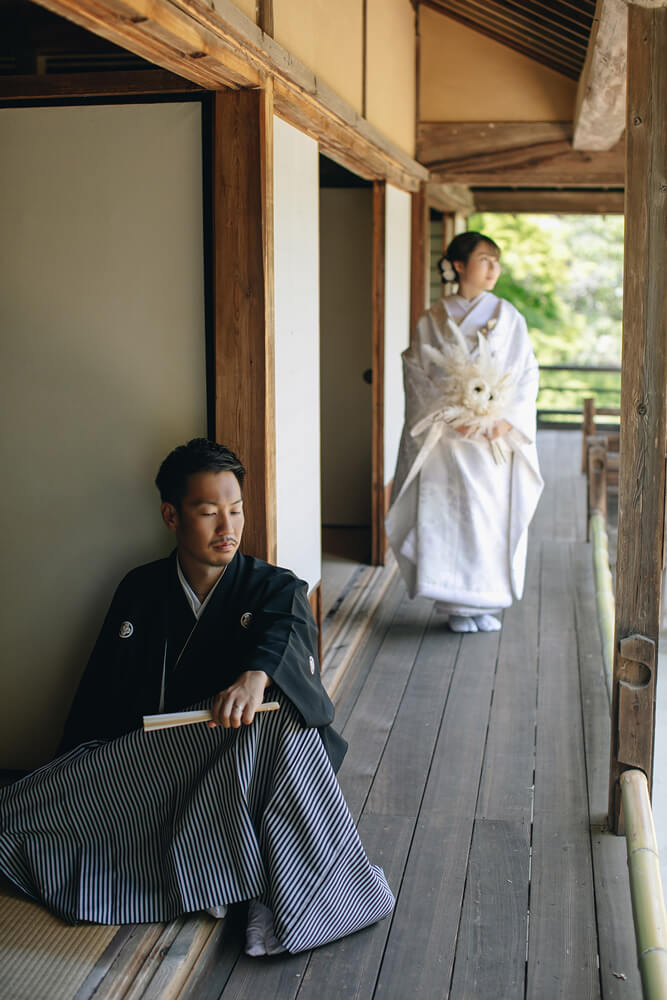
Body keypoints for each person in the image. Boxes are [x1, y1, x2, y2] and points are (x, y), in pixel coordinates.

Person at [0, 439, 394, 956]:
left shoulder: (274, 587)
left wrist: (256, 677)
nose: (227, 529)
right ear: (171, 514)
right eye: (209, 513)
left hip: (237, 757)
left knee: (279, 720)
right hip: (158, 760)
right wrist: (78, 764)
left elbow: (285, 633)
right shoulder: (140, 589)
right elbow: (101, 692)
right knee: (22, 816)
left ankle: (228, 877)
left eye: (235, 511)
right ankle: (248, 882)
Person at [386, 232, 544, 633]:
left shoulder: (508, 316)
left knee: (488, 515)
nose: (494, 268)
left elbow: (525, 373)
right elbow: (418, 371)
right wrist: (449, 413)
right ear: (459, 265)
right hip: (448, 436)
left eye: (497, 261)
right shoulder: (432, 318)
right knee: (449, 515)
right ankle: (455, 602)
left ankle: (485, 600)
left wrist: (504, 419)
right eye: (485, 259)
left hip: (493, 437)